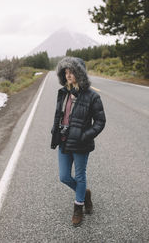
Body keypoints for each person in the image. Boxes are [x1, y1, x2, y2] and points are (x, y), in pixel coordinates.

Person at [51, 56, 106, 227]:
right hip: (64, 140)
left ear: (80, 73)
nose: (68, 75)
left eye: (72, 71)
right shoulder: (63, 93)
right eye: (66, 72)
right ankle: (84, 194)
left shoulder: (92, 96)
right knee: (64, 176)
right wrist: (55, 131)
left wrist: (86, 135)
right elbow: (59, 115)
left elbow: (100, 121)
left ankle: (78, 208)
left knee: (80, 176)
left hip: (81, 143)